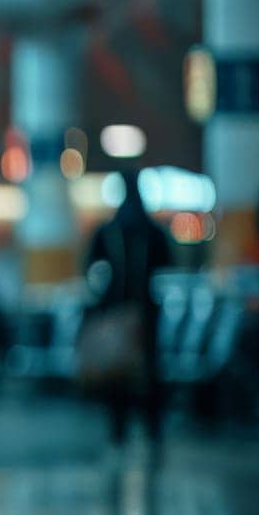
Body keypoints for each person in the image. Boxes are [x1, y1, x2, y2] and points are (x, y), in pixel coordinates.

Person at [84, 173, 173, 447]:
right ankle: (153, 431)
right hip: (146, 313)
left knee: (118, 373)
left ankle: (118, 434)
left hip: (114, 312)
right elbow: (168, 262)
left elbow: (90, 268)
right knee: (148, 372)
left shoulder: (108, 231)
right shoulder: (153, 231)